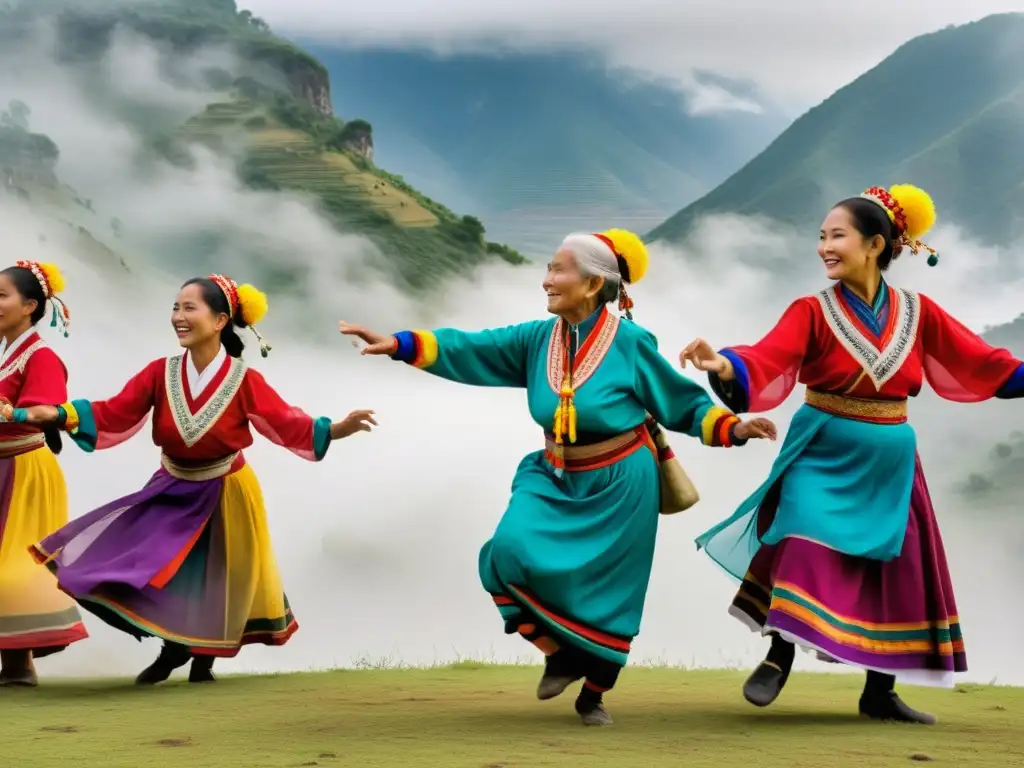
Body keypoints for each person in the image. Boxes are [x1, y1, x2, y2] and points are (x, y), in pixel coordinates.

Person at [340, 229, 776, 726]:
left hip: (622, 485)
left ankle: (593, 696)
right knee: (506, 553)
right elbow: (470, 348)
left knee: (612, 596)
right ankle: (559, 653)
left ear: (592, 284)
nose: (546, 279)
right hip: (553, 473)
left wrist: (733, 426)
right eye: (547, 268)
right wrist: (397, 343)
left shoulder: (631, 344)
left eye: (558, 270)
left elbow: (681, 403)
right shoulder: (535, 339)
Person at [680, 184, 1024, 725]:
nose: (824, 247)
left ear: (875, 244)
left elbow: (982, 362)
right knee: (800, 537)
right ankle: (778, 655)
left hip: (890, 461)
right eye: (821, 237)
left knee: (892, 564)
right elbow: (767, 355)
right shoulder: (811, 310)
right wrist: (723, 365)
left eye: (836, 235)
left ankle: (879, 691)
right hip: (822, 447)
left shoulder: (919, 311)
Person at [12, 274, 376, 685]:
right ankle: (175, 647)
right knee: (152, 566)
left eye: (189, 308)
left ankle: (202, 659)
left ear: (220, 320)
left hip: (226, 488)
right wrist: (60, 414)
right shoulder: (159, 373)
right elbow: (115, 411)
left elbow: (284, 420)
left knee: (218, 576)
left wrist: (337, 429)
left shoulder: (243, 379)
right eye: (175, 308)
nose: (178, 317)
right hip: (172, 485)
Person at [0, 260, 87, 686]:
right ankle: (15, 664)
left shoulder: (42, 356)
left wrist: (13, 412)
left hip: (22, 471)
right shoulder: (5, 353)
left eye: (2, 296)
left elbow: (47, 409)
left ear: (29, 305)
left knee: (15, 567)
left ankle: (18, 664)